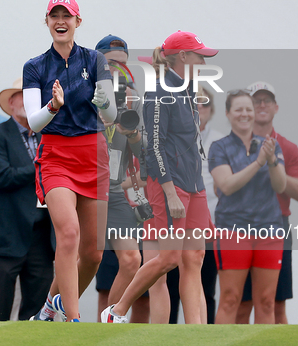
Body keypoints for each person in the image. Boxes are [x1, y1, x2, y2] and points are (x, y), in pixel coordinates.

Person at [102, 31, 216, 324]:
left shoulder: (189, 91)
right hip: (172, 184)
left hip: (194, 183)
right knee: (168, 260)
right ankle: (116, 311)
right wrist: (170, 191)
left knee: (194, 260)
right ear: (183, 57)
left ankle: (196, 334)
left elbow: (190, 144)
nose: (204, 60)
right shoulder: (159, 92)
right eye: (199, 55)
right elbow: (154, 144)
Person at [23, 0, 116, 322]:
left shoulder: (95, 61)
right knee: (69, 234)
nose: (60, 21)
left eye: (67, 15)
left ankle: (52, 305)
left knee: (93, 253)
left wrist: (104, 101)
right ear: (47, 21)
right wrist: (53, 107)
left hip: (93, 154)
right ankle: (73, 320)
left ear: (78, 21)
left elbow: (111, 113)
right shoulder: (35, 66)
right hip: (56, 155)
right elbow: (32, 122)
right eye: (54, 15)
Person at [0, 79, 55, 321]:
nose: (28, 102)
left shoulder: (49, 137)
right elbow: (2, 177)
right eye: (22, 96)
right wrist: (42, 166)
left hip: (42, 238)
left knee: (38, 316)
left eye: (33, 97)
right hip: (3, 236)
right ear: (10, 104)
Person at [209, 89, 286, 324]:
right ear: (228, 114)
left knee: (265, 300)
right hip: (232, 230)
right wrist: (259, 162)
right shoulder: (218, 147)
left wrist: (271, 160)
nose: (245, 114)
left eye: (248, 109)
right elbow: (227, 185)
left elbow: (280, 185)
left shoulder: (271, 145)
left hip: (269, 230)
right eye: (238, 109)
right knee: (231, 298)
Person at [236, 82, 298, 325]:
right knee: (240, 305)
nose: (262, 105)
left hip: (277, 226)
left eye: (267, 100)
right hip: (241, 227)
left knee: (275, 305)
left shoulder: (288, 147)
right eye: (257, 101)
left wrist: (273, 166)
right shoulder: (234, 145)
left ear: (276, 107)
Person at [93, 35, 146, 319]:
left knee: (131, 259)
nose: (119, 71)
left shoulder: (132, 100)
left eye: (124, 65)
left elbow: (142, 149)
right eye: (112, 64)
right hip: (85, 188)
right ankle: (58, 312)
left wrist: (133, 130)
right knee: (84, 259)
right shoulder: (86, 93)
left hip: (114, 192)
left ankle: (108, 321)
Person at [197, 87, 225, 324]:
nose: (199, 108)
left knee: (207, 290)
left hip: (210, 227)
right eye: (194, 102)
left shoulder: (220, 141)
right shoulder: (173, 137)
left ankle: (207, 337)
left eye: (204, 104)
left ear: (211, 110)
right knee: (173, 289)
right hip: (177, 226)